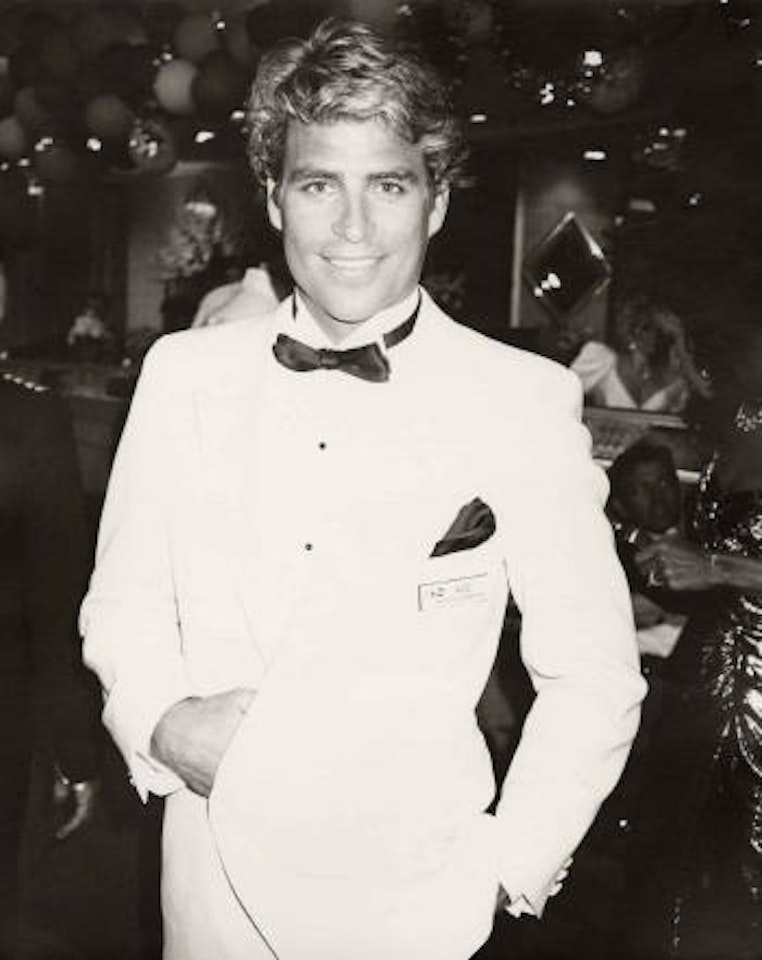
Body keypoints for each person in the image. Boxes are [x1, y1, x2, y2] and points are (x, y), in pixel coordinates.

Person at [81, 20, 644, 960]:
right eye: (318, 185)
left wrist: (504, 869)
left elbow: (594, 675)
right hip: (214, 898)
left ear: (436, 200)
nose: (352, 228)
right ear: (275, 199)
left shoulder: (522, 399)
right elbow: (123, 605)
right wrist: (161, 723)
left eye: (388, 185)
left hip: (417, 910)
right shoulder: (183, 375)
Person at [628, 323, 762, 959]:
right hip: (711, 688)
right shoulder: (731, 432)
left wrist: (713, 566)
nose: (675, 362)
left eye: (680, 345)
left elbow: (725, 566)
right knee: (694, 875)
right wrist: (663, 570)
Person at [0, 373, 99, 959]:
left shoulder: (32, 419)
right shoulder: (30, 417)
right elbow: (54, 599)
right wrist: (73, 753)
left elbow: (54, 601)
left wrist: (71, 747)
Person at [571, 295, 711, 413]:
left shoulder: (674, 382)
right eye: (647, 328)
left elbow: (707, 396)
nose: (654, 337)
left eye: (660, 331)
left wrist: (680, 339)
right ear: (633, 330)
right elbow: (563, 397)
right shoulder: (601, 358)